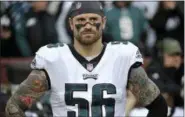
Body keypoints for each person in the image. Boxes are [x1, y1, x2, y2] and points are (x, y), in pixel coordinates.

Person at [5, 1, 167, 117]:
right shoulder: (54, 58)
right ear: (71, 24)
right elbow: (15, 106)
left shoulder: (121, 56)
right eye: (81, 20)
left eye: (93, 20)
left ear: (103, 23)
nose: (88, 25)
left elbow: (158, 106)